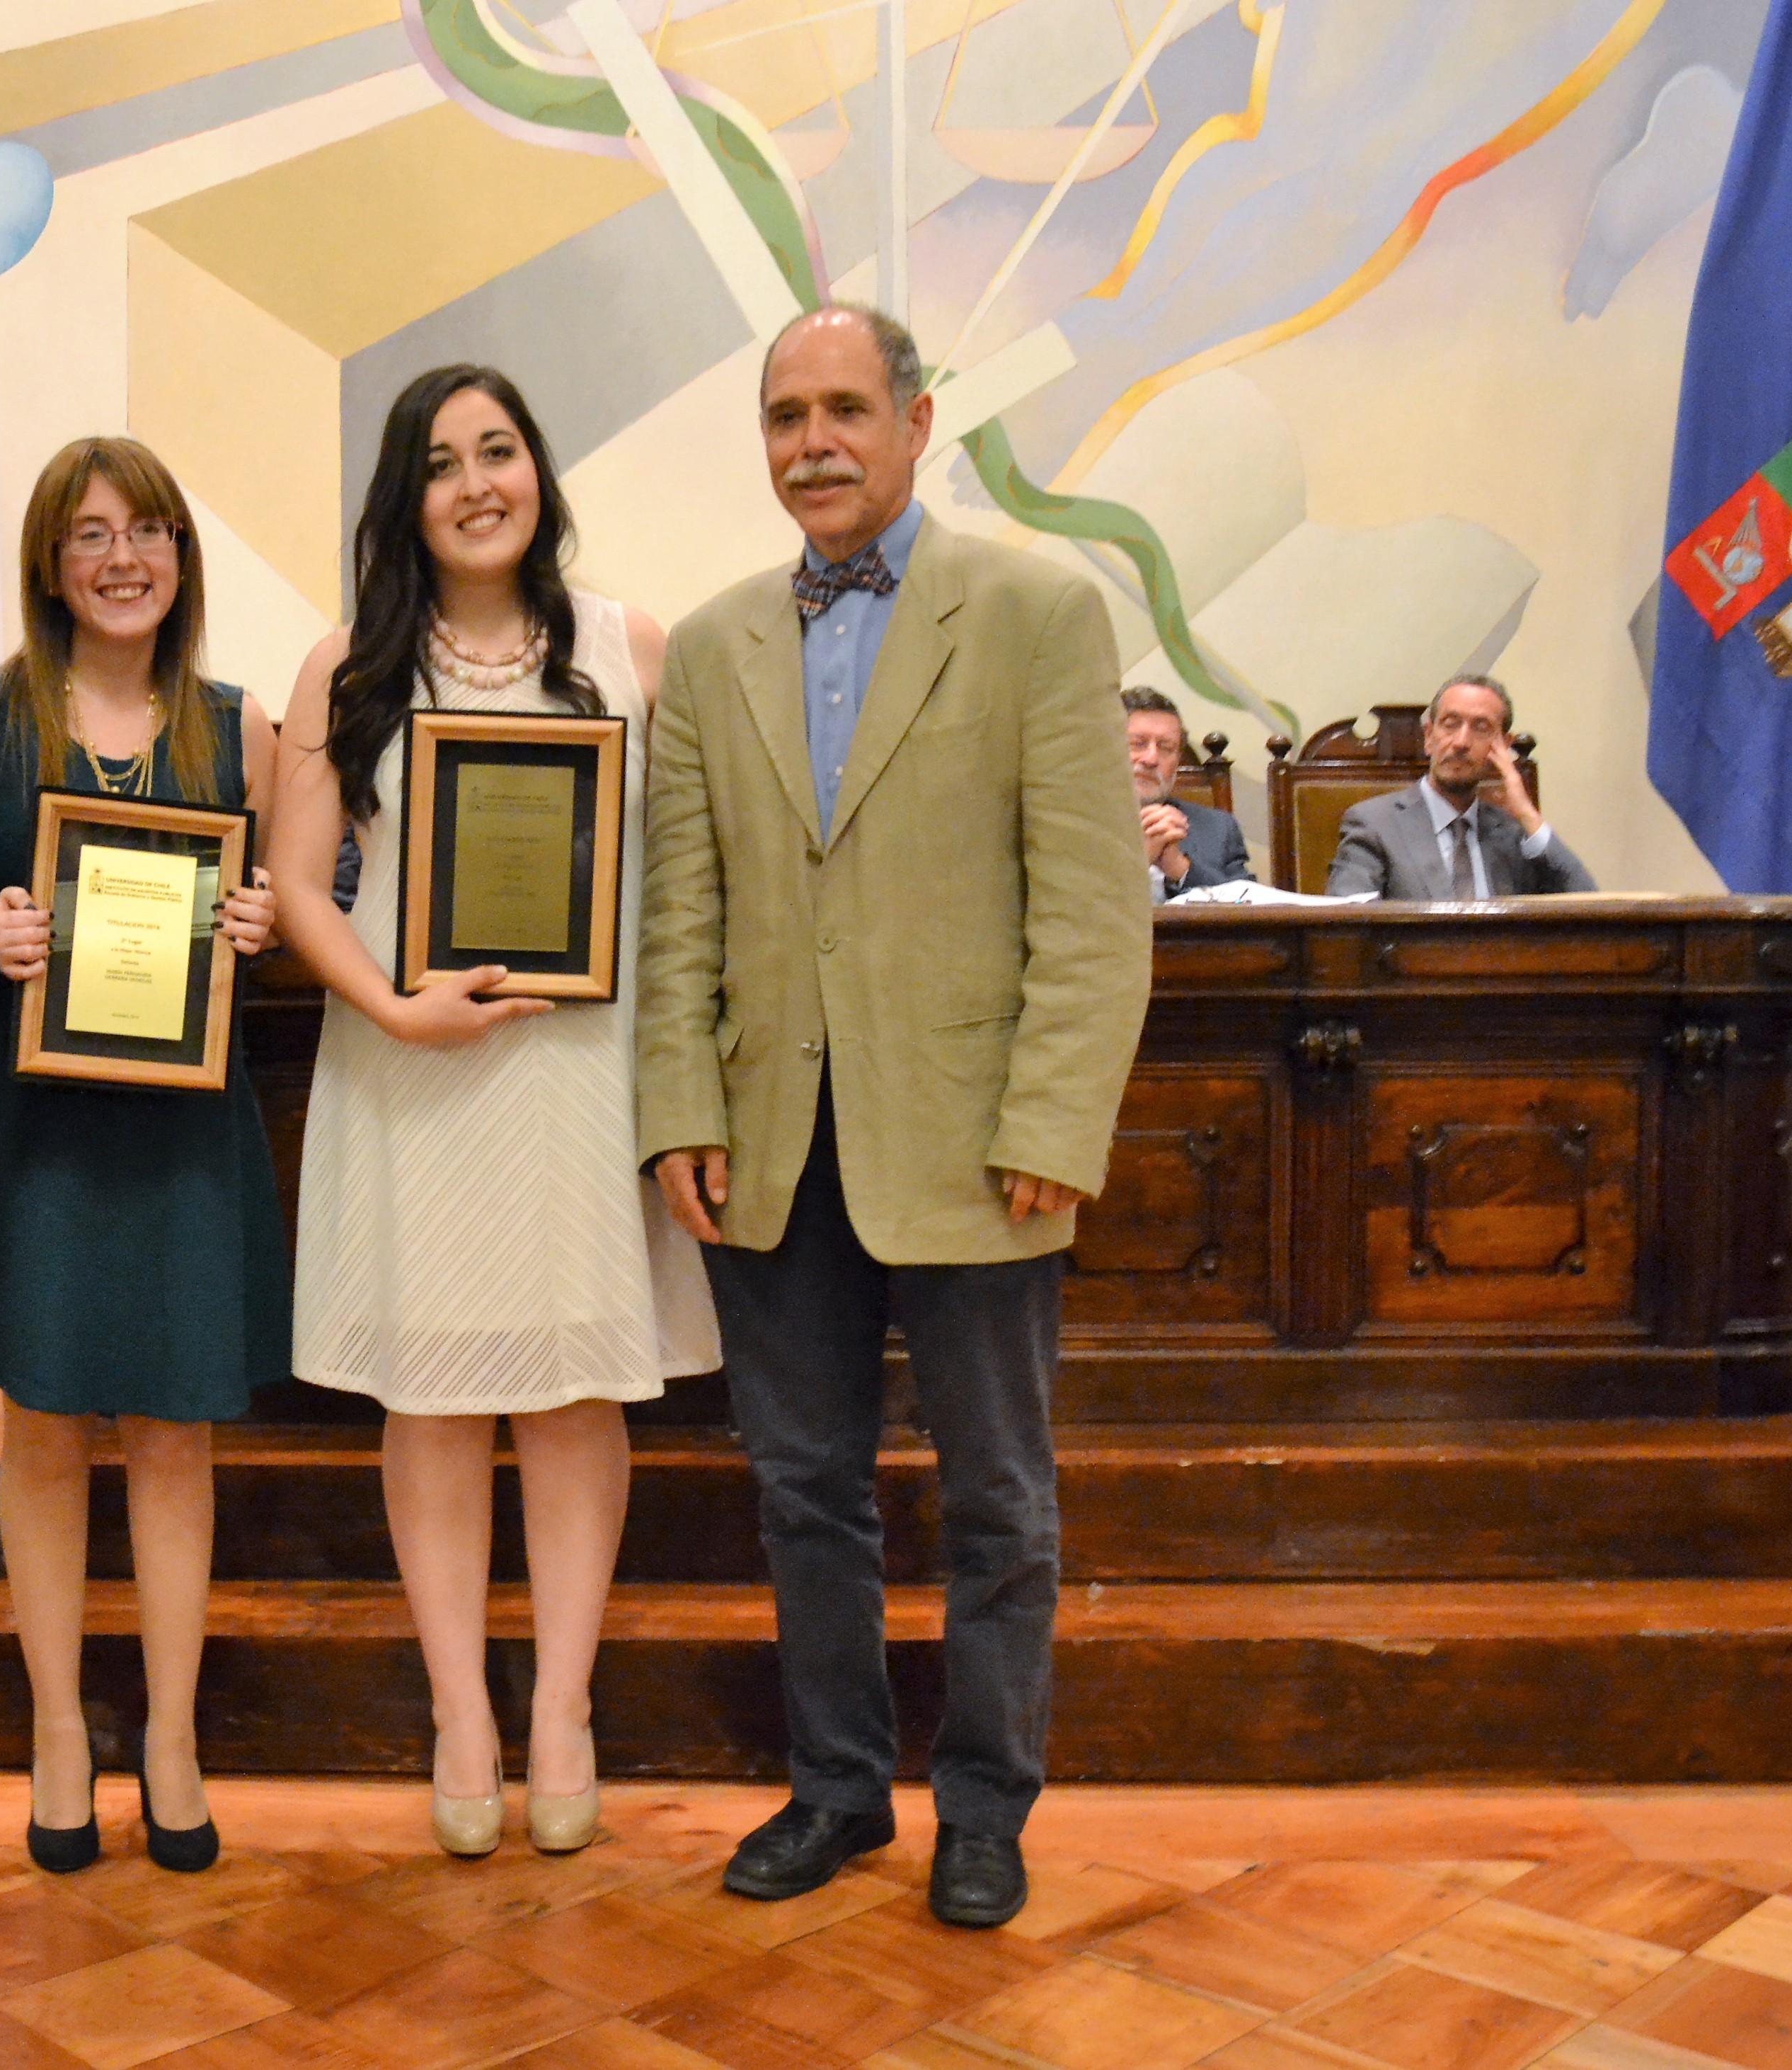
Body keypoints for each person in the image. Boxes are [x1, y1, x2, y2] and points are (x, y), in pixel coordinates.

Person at [638, 305, 1151, 1930]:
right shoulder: (711, 645)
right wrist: (676, 1107)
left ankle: (985, 1807)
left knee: (1000, 1500)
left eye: (845, 407)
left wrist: (1054, 1117)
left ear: (917, 420)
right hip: (772, 1150)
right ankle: (838, 1788)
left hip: (979, 1148)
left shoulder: (1037, 611)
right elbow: (682, 919)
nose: (812, 442)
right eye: (785, 413)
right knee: (805, 1493)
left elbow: (1089, 908)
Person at [271, 365, 720, 1858]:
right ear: (405, 497)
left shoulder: (630, 644)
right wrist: (394, 1004)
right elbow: (293, 884)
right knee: (433, 1397)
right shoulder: (347, 662)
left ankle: (564, 1707)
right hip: (416, 1066)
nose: (477, 483)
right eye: (443, 462)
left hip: (582, 1079)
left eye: (500, 451)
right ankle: (462, 1704)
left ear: (538, 471)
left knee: (574, 1386)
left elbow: (689, 874)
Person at [0, 437, 285, 1877]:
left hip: (185, 1129)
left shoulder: (241, 728)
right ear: (51, 562)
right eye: (90, 535)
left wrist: (259, 922)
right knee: (46, 1429)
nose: (121, 559)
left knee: (175, 1435)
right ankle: (60, 1729)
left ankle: (173, 1737)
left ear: (181, 558)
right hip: (40, 1131)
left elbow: (307, 891)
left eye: (149, 532)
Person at [1324, 674, 1599, 897]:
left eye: (1480, 728)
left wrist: (1528, 815)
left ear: (1502, 745)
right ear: (1429, 737)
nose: (1461, 742)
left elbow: (1587, 907)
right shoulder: (1374, 824)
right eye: (1450, 724)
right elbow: (1347, 930)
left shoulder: (1513, 833)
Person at [1122, 686, 1252, 899]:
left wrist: (1179, 868)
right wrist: (1139, 861)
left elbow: (1251, 911)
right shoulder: (1065, 824)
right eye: (1137, 744)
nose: (1151, 759)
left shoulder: (1218, 829)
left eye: (1166, 748)